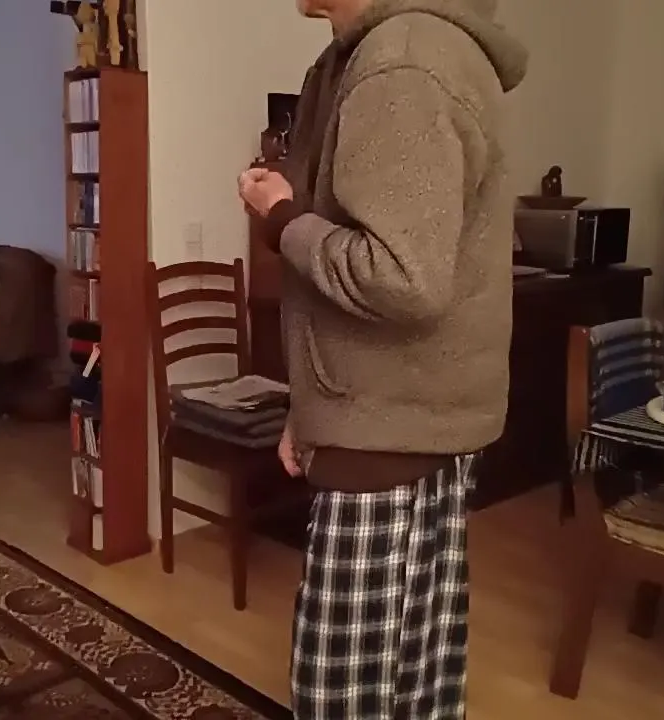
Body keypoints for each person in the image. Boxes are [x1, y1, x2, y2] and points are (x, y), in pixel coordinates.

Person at [236, 0, 527, 717]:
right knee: (414, 688)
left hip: (389, 430)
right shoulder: (364, 54)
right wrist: (311, 410)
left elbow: (399, 278)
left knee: (345, 699)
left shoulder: (402, 62)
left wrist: (280, 219)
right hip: (392, 414)